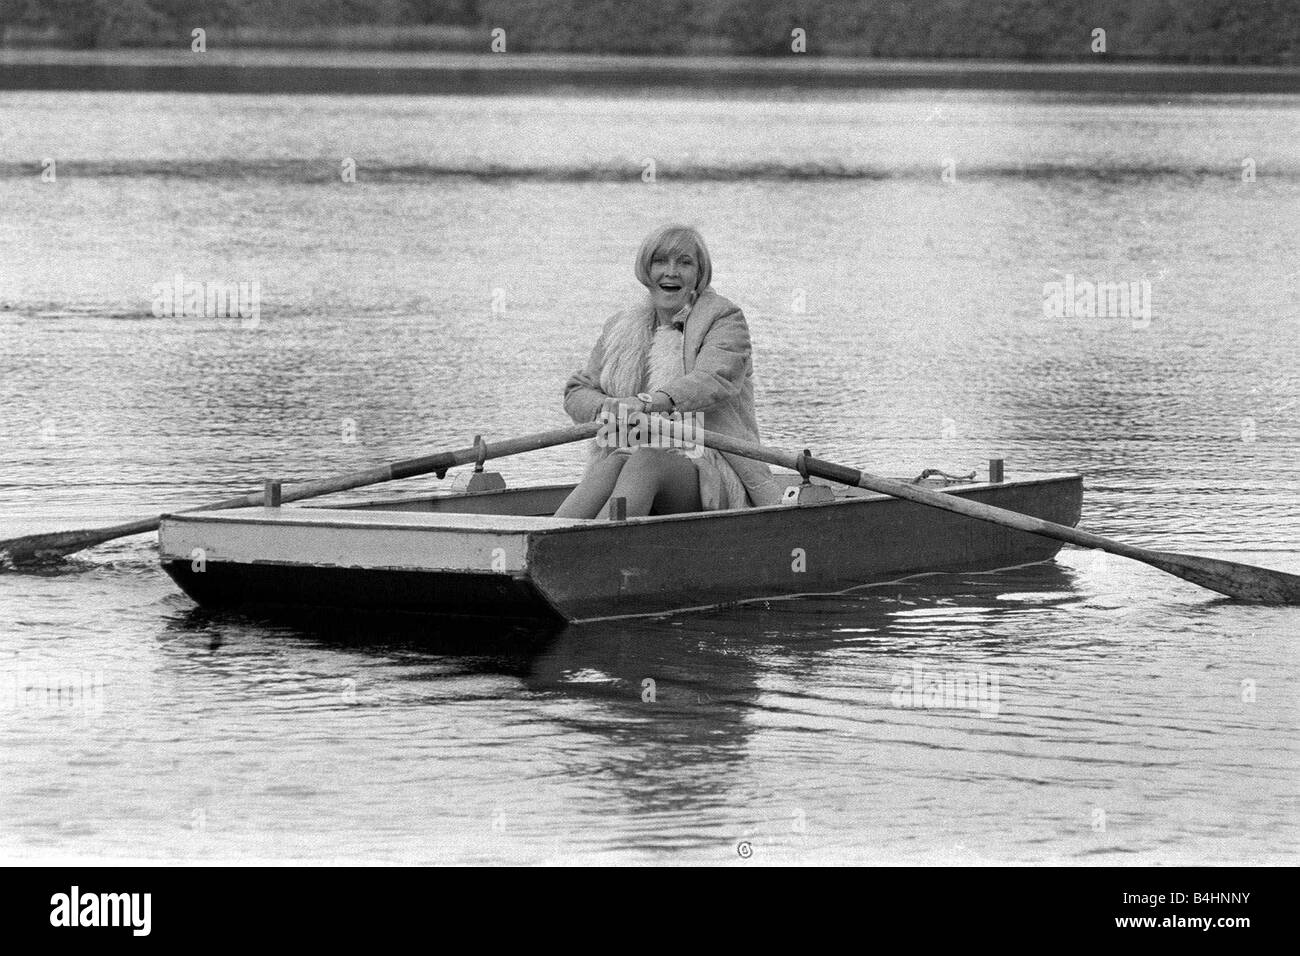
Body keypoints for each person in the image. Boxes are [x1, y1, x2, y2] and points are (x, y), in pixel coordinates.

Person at [555, 224, 781, 519]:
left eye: (684, 263)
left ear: (699, 274)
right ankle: (541, 543)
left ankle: (592, 550)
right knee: (613, 463)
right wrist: (606, 407)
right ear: (646, 271)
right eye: (661, 261)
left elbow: (713, 380)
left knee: (646, 460)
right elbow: (578, 390)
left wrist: (648, 402)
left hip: (709, 465)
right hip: (630, 459)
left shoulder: (723, 318)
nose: (671, 272)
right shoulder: (619, 326)